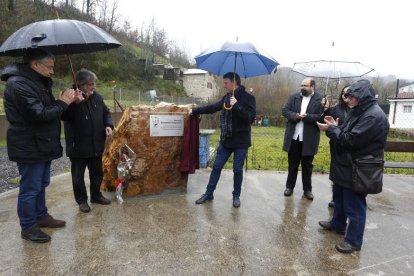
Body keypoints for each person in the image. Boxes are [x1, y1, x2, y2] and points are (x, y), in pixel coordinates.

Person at [1, 49, 77, 243]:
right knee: (30, 188)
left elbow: (51, 110)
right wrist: (62, 102)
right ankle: (28, 227)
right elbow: (39, 115)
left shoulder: (37, 82)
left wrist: (68, 102)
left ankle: (41, 215)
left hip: (41, 143)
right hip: (29, 144)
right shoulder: (18, 84)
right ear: (35, 64)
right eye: (49, 67)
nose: (52, 71)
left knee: (42, 184)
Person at [317, 79, 389, 253]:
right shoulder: (359, 111)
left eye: (351, 96)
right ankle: (337, 224)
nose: (347, 99)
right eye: (347, 96)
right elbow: (346, 131)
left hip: (360, 166)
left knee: (354, 205)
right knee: (340, 197)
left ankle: (354, 241)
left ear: (362, 96)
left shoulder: (373, 115)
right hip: (347, 164)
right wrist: (335, 126)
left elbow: (351, 140)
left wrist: (331, 130)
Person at [190, 72, 256, 208]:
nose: (224, 85)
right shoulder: (226, 97)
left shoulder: (249, 98)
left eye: (226, 83)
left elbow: (250, 118)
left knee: (237, 169)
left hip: (241, 142)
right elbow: (212, 107)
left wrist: (237, 105)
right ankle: (209, 193)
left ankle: (236, 196)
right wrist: (195, 111)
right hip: (226, 140)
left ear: (234, 82)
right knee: (216, 167)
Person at [62, 69, 114, 213]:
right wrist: (74, 103)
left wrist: (108, 125)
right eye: (91, 84)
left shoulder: (97, 97)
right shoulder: (70, 97)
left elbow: (106, 112)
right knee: (78, 176)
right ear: (81, 84)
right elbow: (63, 116)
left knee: (97, 173)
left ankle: (96, 196)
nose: (93, 87)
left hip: (96, 143)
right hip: (78, 146)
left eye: (94, 84)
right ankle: (82, 201)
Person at [282, 77, 324, 200]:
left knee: (307, 166)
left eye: (305, 86)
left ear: (312, 87)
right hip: (294, 137)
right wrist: (295, 115)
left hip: (309, 139)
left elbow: (321, 117)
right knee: (292, 164)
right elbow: (285, 111)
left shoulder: (321, 99)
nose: (302, 88)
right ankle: (289, 187)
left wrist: (307, 117)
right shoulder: (293, 97)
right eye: (301, 85)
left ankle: (307, 190)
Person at [323, 85, 351, 208]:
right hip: (336, 145)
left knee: (348, 173)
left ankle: (347, 199)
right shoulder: (336, 109)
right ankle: (336, 198)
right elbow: (326, 120)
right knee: (335, 171)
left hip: (350, 145)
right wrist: (325, 108)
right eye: (344, 93)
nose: (346, 96)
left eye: (349, 93)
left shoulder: (358, 110)